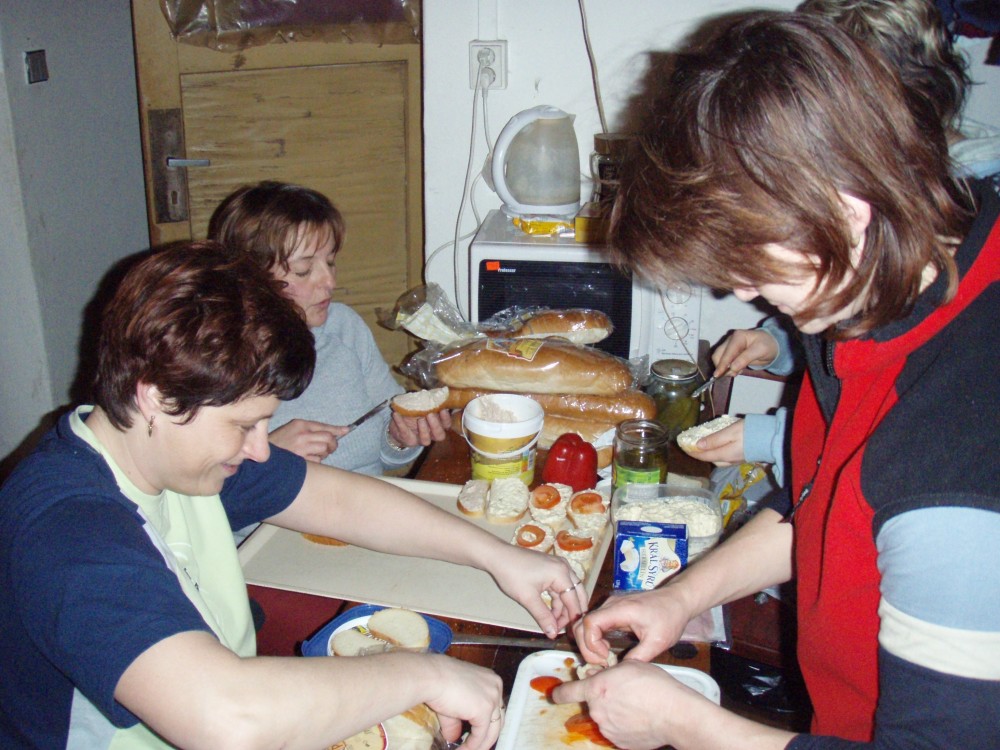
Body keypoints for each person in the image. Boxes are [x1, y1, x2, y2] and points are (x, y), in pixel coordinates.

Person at [552, 11, 1000, 749]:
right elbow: (821, 501)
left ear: (844, 212)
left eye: (751, 263)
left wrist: (687, 724)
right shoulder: (868, 286)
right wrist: (680, 597)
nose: (742, 291)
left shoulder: (958, 462)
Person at [0, 242, 587, 750]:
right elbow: (225, 719)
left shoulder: (166, 451)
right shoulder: (68, 528)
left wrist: (500, 556)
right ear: (154, 396)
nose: (261, 449)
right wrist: (426, 675)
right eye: (243, 425)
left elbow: (341, 501)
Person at [692, 0, 998, 477]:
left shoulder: (956, 217)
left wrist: (772, 438)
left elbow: (922, 419)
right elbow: (861, 321)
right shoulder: (885, 186)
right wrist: (777, 341)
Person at [208, 181, 451, 476]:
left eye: (331, 262)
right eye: (304, 270)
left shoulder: (344, 326)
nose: (330, 282)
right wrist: (268, 457)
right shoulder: (214, 358)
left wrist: (399, 437)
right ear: (250, 277)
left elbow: (386, 454)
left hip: (367, 499)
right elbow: (198, 490)